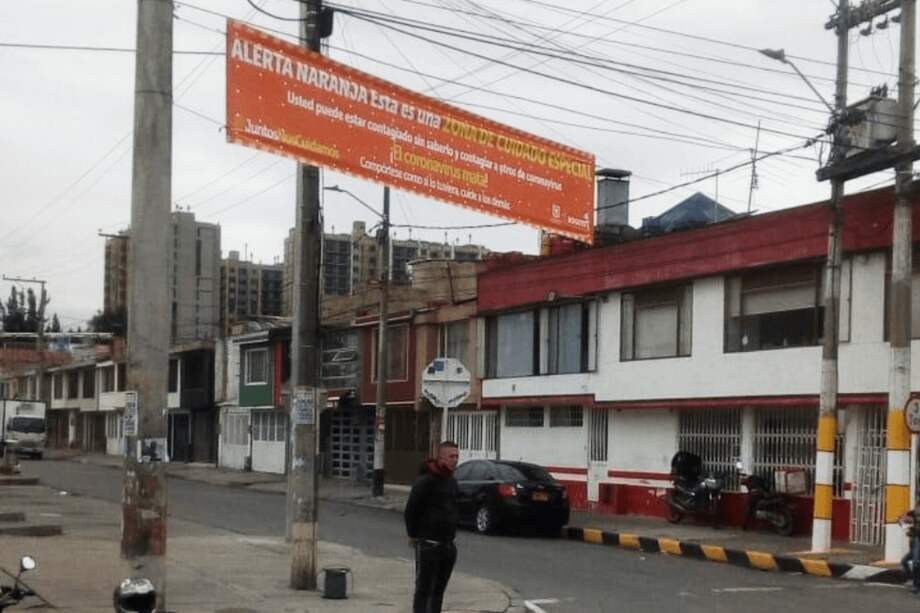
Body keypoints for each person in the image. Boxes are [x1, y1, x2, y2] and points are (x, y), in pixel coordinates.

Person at [404, 441, 460, 613]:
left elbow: (453, 508)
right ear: (441, 457)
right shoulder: (425, 480)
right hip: (428, 544)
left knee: (438, 591)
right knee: (424, 589)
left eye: (457, 456)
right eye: (451, 456)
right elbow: (411, 511)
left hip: (448, 545)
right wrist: (413, 536)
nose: (455, 460)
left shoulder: (451, 481)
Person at [900, 501, 920, 594]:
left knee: (916, 562)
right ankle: (913, 581)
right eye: (917, 508)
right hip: (915, 542)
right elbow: (901, 517)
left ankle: (916, 585)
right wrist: (904, 522)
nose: (917, 511)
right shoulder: (913, 513)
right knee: (904, 561)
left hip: (917, 541)